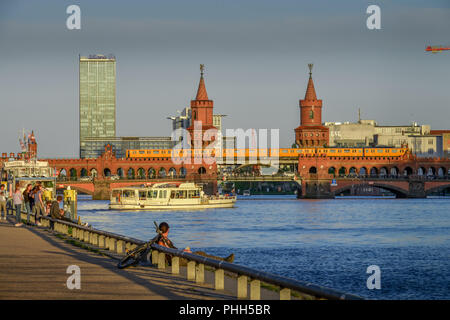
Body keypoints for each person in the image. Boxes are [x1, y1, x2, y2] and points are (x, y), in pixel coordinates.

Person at [153, 222, 234, 265]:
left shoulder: (161, 239)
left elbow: (170, 251)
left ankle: (222, 260)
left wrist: (183, 251)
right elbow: (169, 253)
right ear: (168, 230)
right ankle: (223, 261)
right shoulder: (162, 240)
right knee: (200, 254)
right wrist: (183, 252)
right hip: (177, 260)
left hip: (176, 258)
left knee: (200, 253)